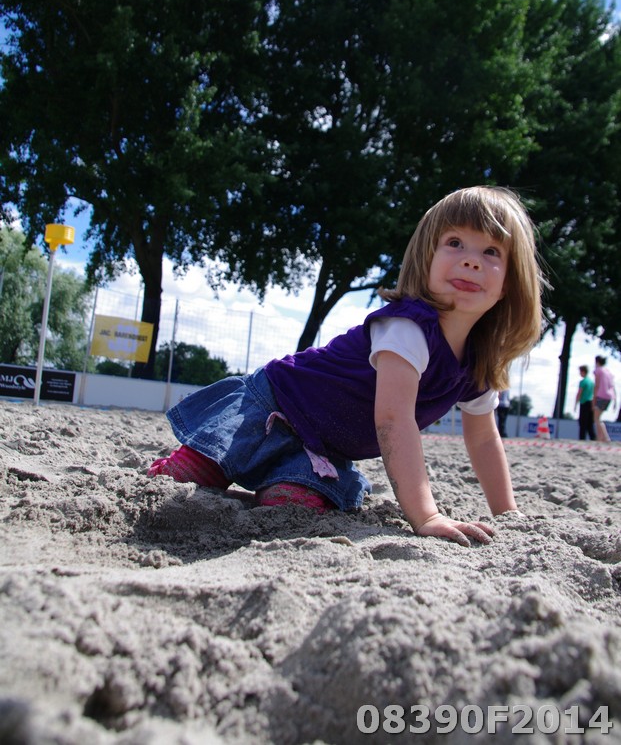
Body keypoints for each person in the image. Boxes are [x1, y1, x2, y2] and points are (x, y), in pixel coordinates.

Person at [149, 186, 545, 546]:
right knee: (191, 475)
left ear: (510, 283)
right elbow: (393, 420)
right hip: (273, 406)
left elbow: (483, 438)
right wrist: (427, 516)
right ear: (426, 258)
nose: (471, 260)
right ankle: (195, 468)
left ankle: (272, 482)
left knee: (294, 504)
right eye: (455, 243)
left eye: (491, 252)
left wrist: (506, 513)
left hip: (319, 450)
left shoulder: (477, 360)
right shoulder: (409, 327)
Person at [593, 355, 616, 443]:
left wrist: (594, 398)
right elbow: (612, 386)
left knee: (597, 418)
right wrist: (615, 400)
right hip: (609, 396)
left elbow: (597, 385)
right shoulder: (608, 372)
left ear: (597, 362)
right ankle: (600, 438)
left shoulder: (598, 370)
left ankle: (605, 437)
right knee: (598, 418)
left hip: (601, 395)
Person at [574, 365, 595, 441]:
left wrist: (576, 403)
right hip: (591, 402)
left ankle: (582, 438)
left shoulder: (583, 381)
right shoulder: (591, 382)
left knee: (582, 422)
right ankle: (593, 438)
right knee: (590, 423)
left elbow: (579, 392)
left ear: (583, 372)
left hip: (584, 402)